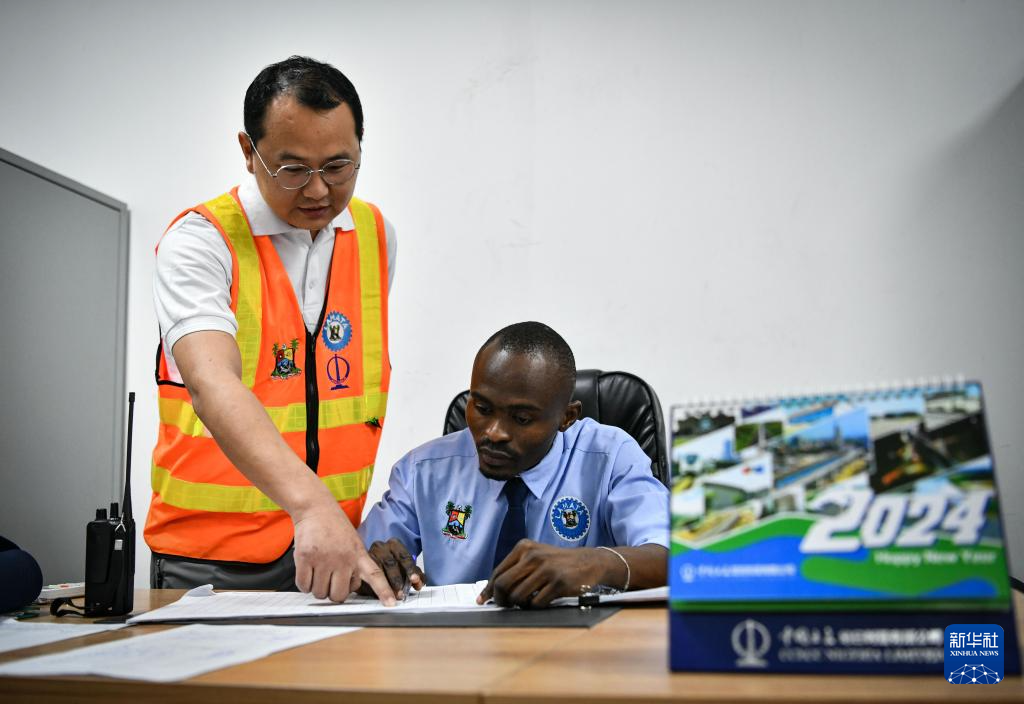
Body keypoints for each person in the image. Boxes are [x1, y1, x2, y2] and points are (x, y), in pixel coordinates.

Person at [146, 56, 397, 604]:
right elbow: (212, 384)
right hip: (211, 558)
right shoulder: (200, 242)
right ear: (248, 151)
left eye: (338, 166)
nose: (318, 191)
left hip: (332, 550)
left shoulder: (376, 234)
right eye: (293, 169)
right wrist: (310, 504)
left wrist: (331, 521)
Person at [358, 322, 669, 608]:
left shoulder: (611, 458)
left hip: (579, 640)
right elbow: (355, 563)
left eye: (521, 418)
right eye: (482, 408)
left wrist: (591, 564)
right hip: (456, 643)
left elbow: (672, 556)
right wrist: (371, 567)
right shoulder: (422, 471)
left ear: (566, 418)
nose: (494, 433)